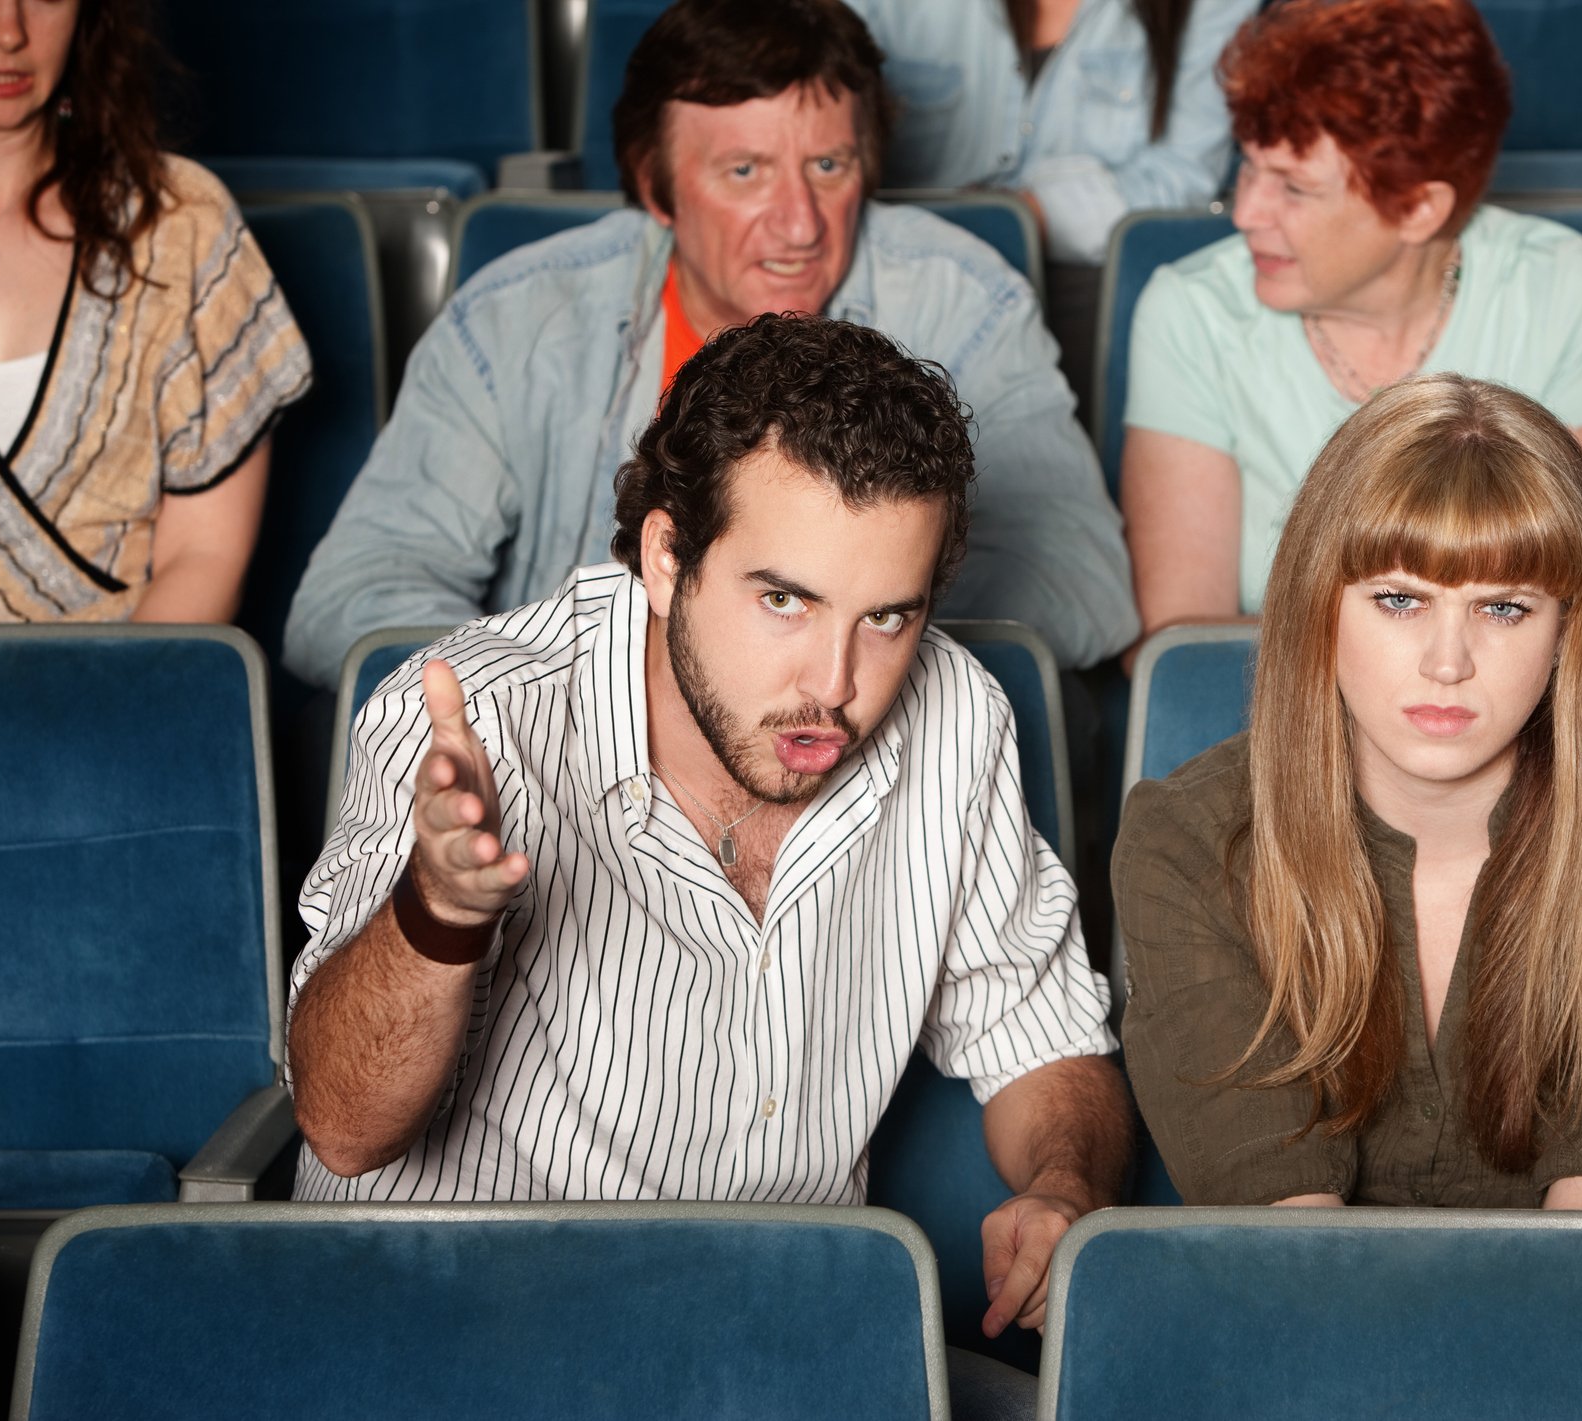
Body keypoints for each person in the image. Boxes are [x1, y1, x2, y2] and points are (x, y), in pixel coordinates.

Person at [288, 315, 1129, 1414]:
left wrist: (1064, 1183)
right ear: (664, 555)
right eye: (784, 599)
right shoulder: (474, 713)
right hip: (461, 1346)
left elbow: (1048, 1040)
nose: (833, 683)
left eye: (887, 616)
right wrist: (438, 912)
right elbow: (343, 1127)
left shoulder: (956, 718)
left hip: (775, 1355)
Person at [283, 0, 1136, 689]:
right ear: (655, 185)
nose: (800, 224)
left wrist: (841, 647)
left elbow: (1080, 581)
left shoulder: (962, 295)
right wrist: (575, 694)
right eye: (745, 173)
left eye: (829, 168)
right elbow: (354, 595)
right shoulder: (520, 315)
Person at [1114, 375, 1582, 1210]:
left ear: (1570, 630)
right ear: (1319, 607)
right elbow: (1284, 1256)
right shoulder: (1193, 842)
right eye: (1398, 599)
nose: (1446, 662)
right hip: (1306, 1327)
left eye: (1502, 608)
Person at [1120, 0, 1582, 653]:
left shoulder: (1563, 288)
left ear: (1418, 209)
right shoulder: (1189, 309)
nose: (1245, 212)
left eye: (1293, 188)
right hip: (1278, 735)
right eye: (1248, 167)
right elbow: (1185, 649)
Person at [0, 0, 309, 622]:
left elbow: (204, 559)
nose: (7, 31)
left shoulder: (183, 225)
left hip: (123, 700)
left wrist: (104, 712)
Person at [845, 0, 1261, 420]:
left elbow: (1183, 175)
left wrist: (1019, 215)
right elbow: (822, 113)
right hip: (911, 275)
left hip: (1100, 289)